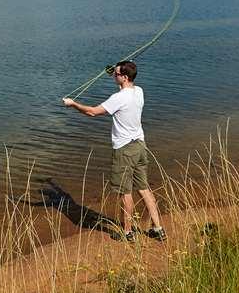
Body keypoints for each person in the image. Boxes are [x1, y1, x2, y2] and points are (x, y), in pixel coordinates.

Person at [62, 60, 167, 242]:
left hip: (124, 150)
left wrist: (73, 104)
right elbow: (125, 78)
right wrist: (118, 68)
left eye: (116, 74)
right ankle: (158, 228)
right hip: (140, 147)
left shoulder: (118, 99)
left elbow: (92, 112)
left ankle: (128, 232)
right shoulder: (139, 91)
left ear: (125, 77)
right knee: (144, 188)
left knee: (125, 192)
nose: (113, 76)